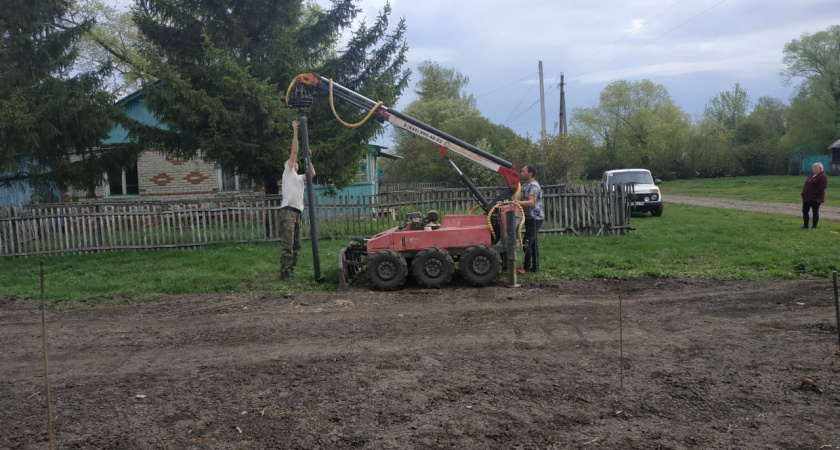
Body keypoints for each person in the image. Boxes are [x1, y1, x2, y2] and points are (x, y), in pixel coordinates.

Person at [279, 120, 315, 282]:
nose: (294, 162)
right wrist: (295, 131)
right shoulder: (288, 173)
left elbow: (312, 174)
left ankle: (291, 270)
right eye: (292, 161)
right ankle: (285, 273)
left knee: (297, 245)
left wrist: (308, 158)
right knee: (288, 245)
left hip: (297, 213)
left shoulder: (300, 178)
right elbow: (294, 152)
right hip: (287, 211)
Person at [515, 165, 544, 274]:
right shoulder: (524, 186)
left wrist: (518, 203)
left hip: (535, 218)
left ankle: (526, 268)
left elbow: (531, 202)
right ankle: (535, 268)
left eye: (523, 171)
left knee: (527, 242)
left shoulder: (534, 186)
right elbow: (518, 199)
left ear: (530, 173)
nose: (521, 173)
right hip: (528, 217)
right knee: (533, 243)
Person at [801, 162, 827, 231]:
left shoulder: (822, 176)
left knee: (815, 211)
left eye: (816, 168)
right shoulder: (811, 175)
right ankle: (805, 225)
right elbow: (806, 184)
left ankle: (814, 227)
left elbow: (822, 187)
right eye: (814, 168)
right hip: (807, 197)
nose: (814, 169)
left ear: (820, 169)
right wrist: (803, 193)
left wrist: (814, 195)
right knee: (805, 211)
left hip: (816, 198)